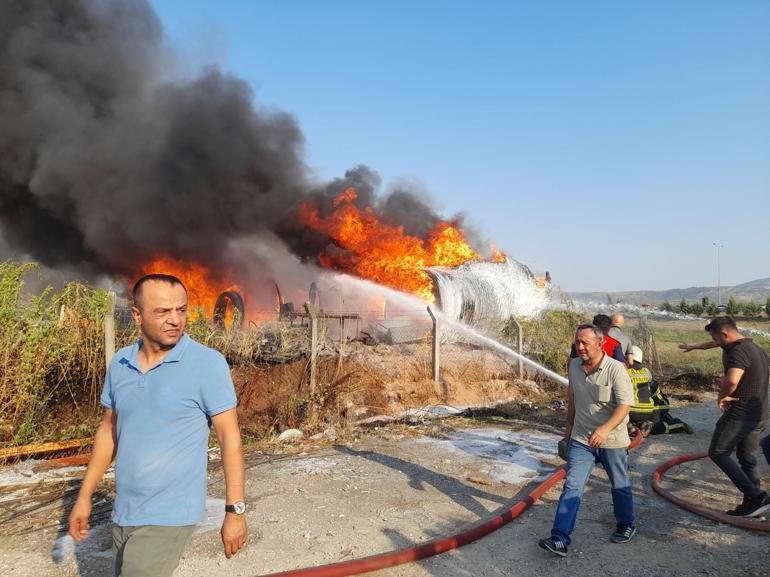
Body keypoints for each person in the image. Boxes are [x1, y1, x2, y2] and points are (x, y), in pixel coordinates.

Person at [68, 274, 248, 577]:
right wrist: (84, 496)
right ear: (137, 315)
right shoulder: (121, 363)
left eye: (181, 310)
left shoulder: (207, 364)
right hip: (125, 512)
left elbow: (231, 440)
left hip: (170, 515)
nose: (175, 320)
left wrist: (235, 511)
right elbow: (108, 431)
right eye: (163, 312)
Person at [539, 324, 636, 557]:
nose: (580, 347)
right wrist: (569, 428)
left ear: (600, 344)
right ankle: (560, 538)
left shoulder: (615, 369)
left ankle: (626, 524)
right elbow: (572, 396)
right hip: (581, 439)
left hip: (611, 439)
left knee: (619, 484)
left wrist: (604, 430)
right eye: (577, 342)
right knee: (572, 485)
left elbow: (625, 405)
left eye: (585, 343)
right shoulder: (574, 366)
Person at [679, 316, 769, 517]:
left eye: (717, 338)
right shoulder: (757, 350)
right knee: (747, 457)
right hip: (760, 414)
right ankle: (754, 506)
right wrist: (694, 346)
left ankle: (756, 496)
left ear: (725, 333)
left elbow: (731, 381)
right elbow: (767, 374)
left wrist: (722, 397)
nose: (716, 343)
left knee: (718, 452)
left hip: (740, 414)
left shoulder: (738, 352)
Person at [627, 345, 693, 436]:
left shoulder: (624, 371)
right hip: (648, 409)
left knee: (655, 427)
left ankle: (678, 424)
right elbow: (653, 392)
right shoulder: (646, 372)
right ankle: (640, 426)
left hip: (647, 407)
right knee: (651, 427)